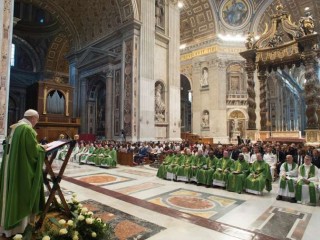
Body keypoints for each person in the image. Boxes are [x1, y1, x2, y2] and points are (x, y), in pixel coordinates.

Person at [0, 109, 47, 237]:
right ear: (32, 118)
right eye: (37, 119)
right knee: (22, 191)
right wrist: (42, 149)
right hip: (21, 169)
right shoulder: (27, 129)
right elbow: (32, 151)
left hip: (12, 166)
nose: (36, 122)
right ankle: (18, 227)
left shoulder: (15, 128)